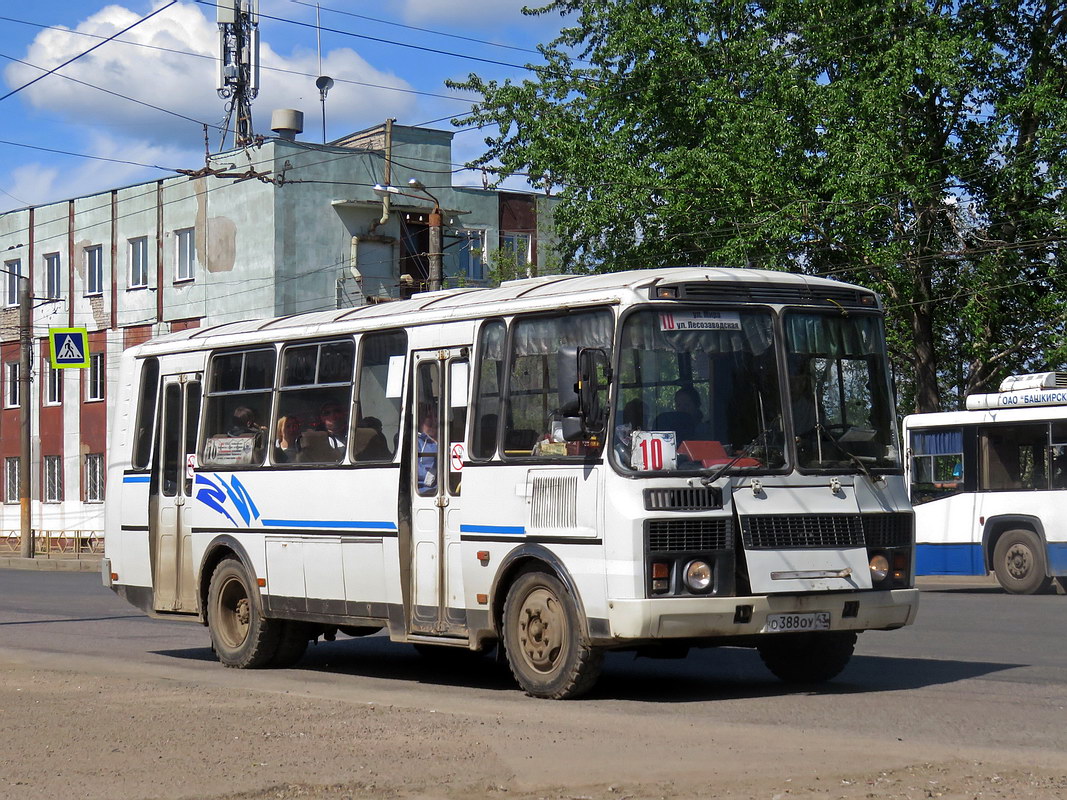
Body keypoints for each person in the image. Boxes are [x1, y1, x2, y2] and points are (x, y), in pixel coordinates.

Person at [417, 403, 438, 493]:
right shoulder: (416, 442)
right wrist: (429, 476)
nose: (433, 422)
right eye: (429, 418)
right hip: (425, 491)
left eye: (435, 417)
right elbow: (413, 467)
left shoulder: (444, 441)